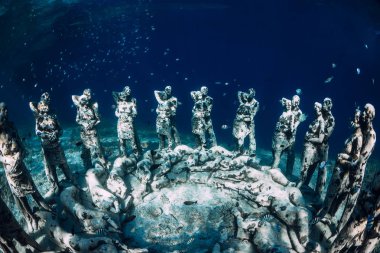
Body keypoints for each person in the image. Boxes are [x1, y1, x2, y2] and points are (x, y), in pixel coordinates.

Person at [0, 102, 51, 232]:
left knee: (31, 187)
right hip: (9, 169)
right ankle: (30, 217)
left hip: (20, 164)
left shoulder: (11, 126)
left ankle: (42, 204)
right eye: (2, 110)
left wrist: (19, 156)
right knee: (19, 195)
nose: (5, 113)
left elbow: (20, 144)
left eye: (6, 110)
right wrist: (8, 160)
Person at [29, 92, 73, 195]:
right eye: (43, 105)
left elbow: (60, 129)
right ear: (40, 106)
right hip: (46, 146)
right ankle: (55, 186)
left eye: (47, 105)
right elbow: (37, 132)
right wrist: (46, 135)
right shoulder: (38, 118)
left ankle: (71, 180)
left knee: (63, 163)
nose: (45, 107)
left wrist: (56, 133)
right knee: (51, 167)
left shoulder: (54, 116)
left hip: (56, 144)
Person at [72, 89, 108, 170]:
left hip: (92, 131)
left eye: (89, 95)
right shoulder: (79, 107)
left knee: (97, 148)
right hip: (83, 132)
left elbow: (98, 119)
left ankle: (103, 165)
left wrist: (92, 124)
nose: (88, 97)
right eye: (86, 95)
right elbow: (77, 119)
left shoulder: (94, 106)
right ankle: (87, 167)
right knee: (85, 150)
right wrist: (84, 123)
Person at [297, 102, 326, 194]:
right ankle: (301, 184)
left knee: (304, 167)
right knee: (304, 166)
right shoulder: (316, 119)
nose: (316, 108)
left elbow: (321, 139)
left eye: (318, 107)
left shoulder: (321, 121)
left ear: (321, 109)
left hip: (311, 149)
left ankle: (299, 186)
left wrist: (309, 139)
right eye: (315, 107)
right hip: (307, 147)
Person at [113, 86, 141, 157]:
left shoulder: (132, 103)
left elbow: (135, 113)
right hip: (121, 123)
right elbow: (116, 112)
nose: (124, 97)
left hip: (128, 123)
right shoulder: (119, 103)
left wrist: (129, 116)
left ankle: (136, 154)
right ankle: (123, 154)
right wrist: (119, 115)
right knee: (121, 139)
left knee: (132, 139)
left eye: (125, 95)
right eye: (123, 95)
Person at [232, 88, 259, 156]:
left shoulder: (255, 103)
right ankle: (238, 150)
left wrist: (250, 117)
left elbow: (254, 113)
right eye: (249, 93)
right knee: (236, 135)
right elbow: (239, 92)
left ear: (254, 94)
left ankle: (252, 151)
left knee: (251, 136)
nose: (250, 95)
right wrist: (242, 100)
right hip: (238, 120)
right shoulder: (244, 97)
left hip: (248, 122)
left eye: (252, 94)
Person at [271, 98, 295, 169]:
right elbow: (283, 99)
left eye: (290, 105)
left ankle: (273, 169)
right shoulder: (284, 112)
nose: (288, 105)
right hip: (276, 135)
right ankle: (274, 167)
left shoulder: (291, 115)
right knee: (274, 151)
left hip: (282, 136)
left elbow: (291, 128)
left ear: (291, 105)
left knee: (277, 153)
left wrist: (287, 129)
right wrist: (286, 101)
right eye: (287, 104)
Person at [285, 94, 305, 176]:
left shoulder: (300, 112)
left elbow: (298, 123)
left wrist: (293, 127)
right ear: (292, 100)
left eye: (298, 102)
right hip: (283, 132)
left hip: (292, 135)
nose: (296, 103)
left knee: (291, 153)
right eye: (295, 101)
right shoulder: (287, 106)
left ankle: (288, 172)